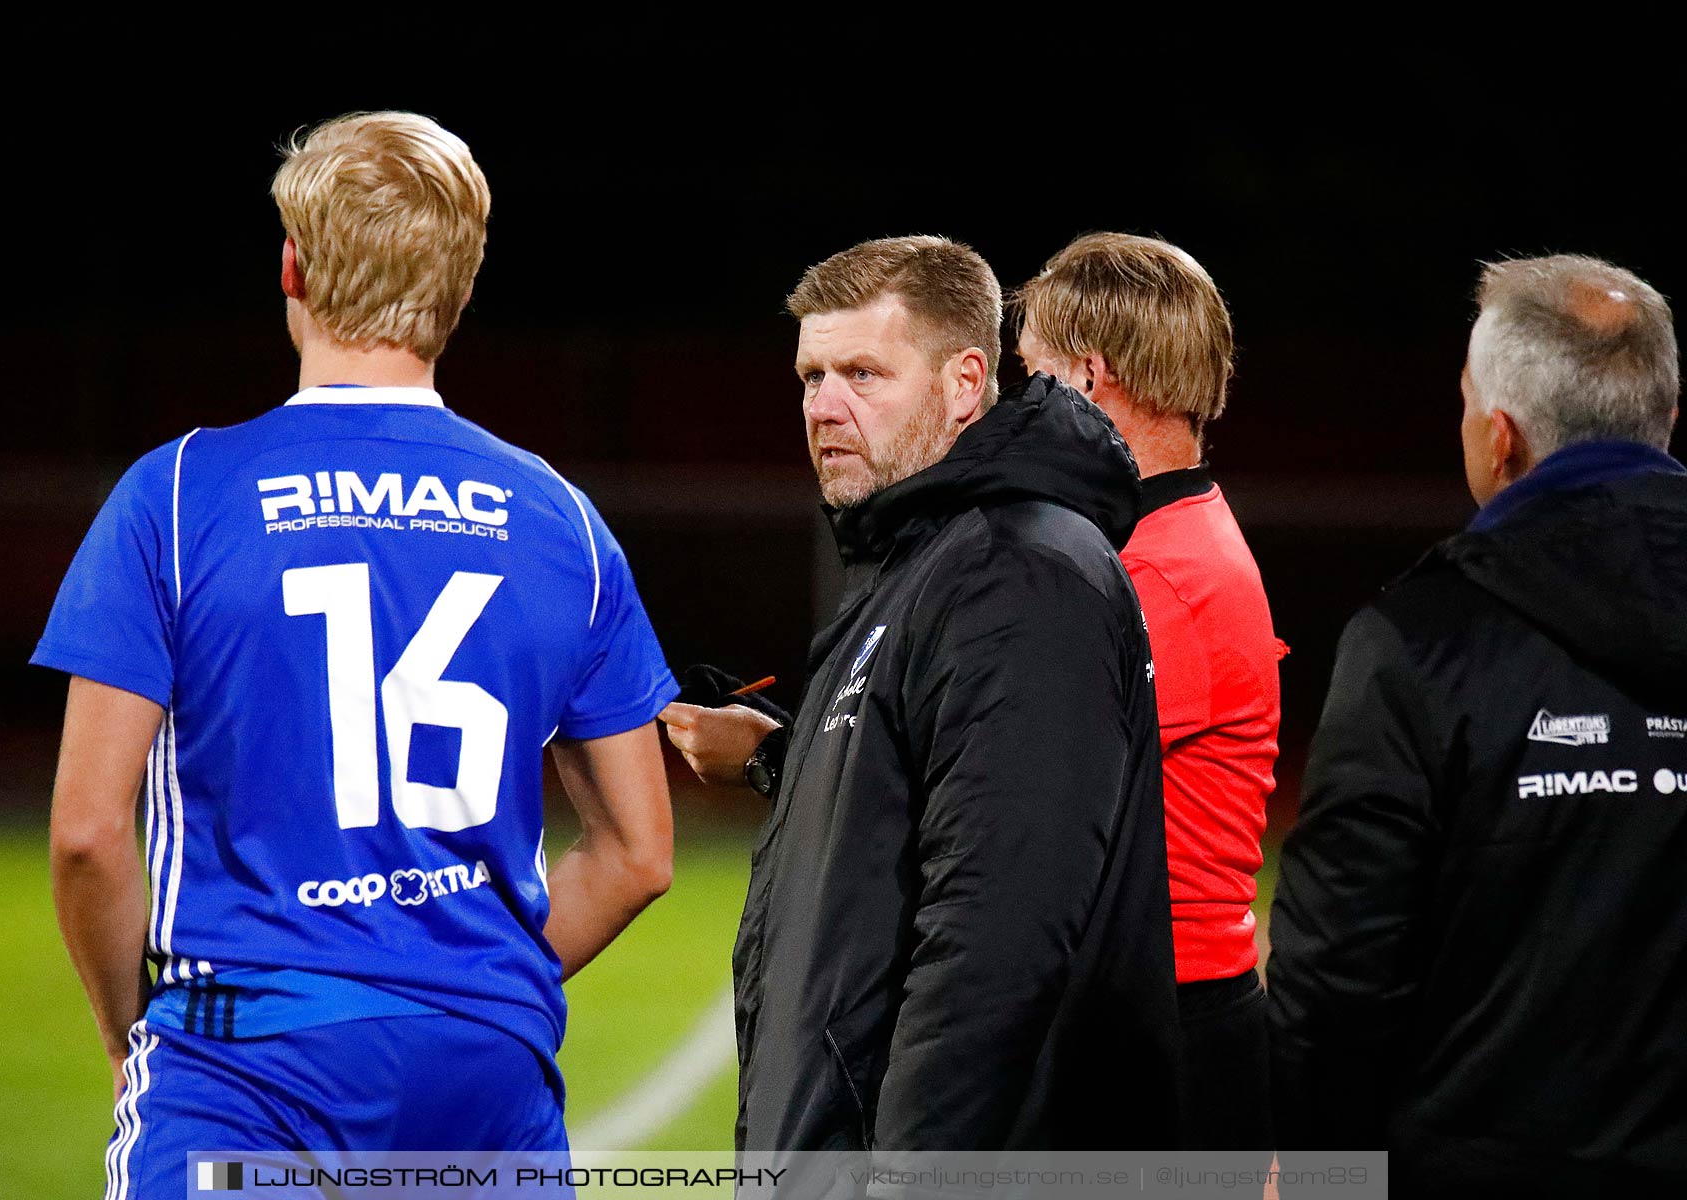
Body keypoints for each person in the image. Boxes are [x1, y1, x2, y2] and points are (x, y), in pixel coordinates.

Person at [34, 112, 677, 1195]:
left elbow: (91, 834)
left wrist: (122, 1034)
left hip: (246, 1058)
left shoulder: (178, 496)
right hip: (485, 1086)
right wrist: (454, 981)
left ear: (291, 265)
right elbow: (639, 852)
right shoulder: (562, 521)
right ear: (461, 291)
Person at [663, 235, 1181, 1154]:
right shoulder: (927, 563)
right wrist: (780, 755)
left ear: (963, 383)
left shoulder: (1019, 574)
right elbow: (910, 804)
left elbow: (994, 950)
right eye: (811, 375)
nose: (825, 406)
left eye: (863, 373)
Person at [1267, 254, 1686, 1194]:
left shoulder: (1417, 641)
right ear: (1666, 413)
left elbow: (1336, 982)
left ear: (1501, 439)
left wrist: (1322, 1173)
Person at [1012, 233, 1283, 1154]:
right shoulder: (1167, 546)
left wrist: (778, 759)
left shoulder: (1161, 576)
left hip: (1161, 1030)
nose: (1019, 404)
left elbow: (1014, 796)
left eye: (1032, 375)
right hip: (1166, 1015)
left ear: (1086, 379)